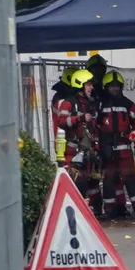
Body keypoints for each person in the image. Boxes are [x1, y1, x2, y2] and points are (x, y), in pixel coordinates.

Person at [97, 70, 135, 219]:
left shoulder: (128, 104)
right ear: (106, 87)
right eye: (112, 86)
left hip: (124, 150)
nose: (115, 88)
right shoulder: (100, 105)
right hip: (107, 150)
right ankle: (109, 211)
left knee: (131, 179)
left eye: (117, 86)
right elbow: (95, 126)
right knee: (109, 181)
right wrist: (99, 148)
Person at [57, 69, 103, 215]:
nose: (91, 87)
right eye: (88, 84)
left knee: (93, 182)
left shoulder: (91, 103)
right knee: (78, 182)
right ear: (80, 85)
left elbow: (94, 127)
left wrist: (97, 146)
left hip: (90, 152)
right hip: (74, 152)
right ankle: (78, 212)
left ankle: (96, 210)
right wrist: (79, 119)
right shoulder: (68, 103)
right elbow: (61, 122)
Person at [50, 68, 77, 165]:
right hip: (65, 143)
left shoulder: (60, 96)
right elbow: (63, 121)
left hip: (63, 141)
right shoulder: (62, 100)